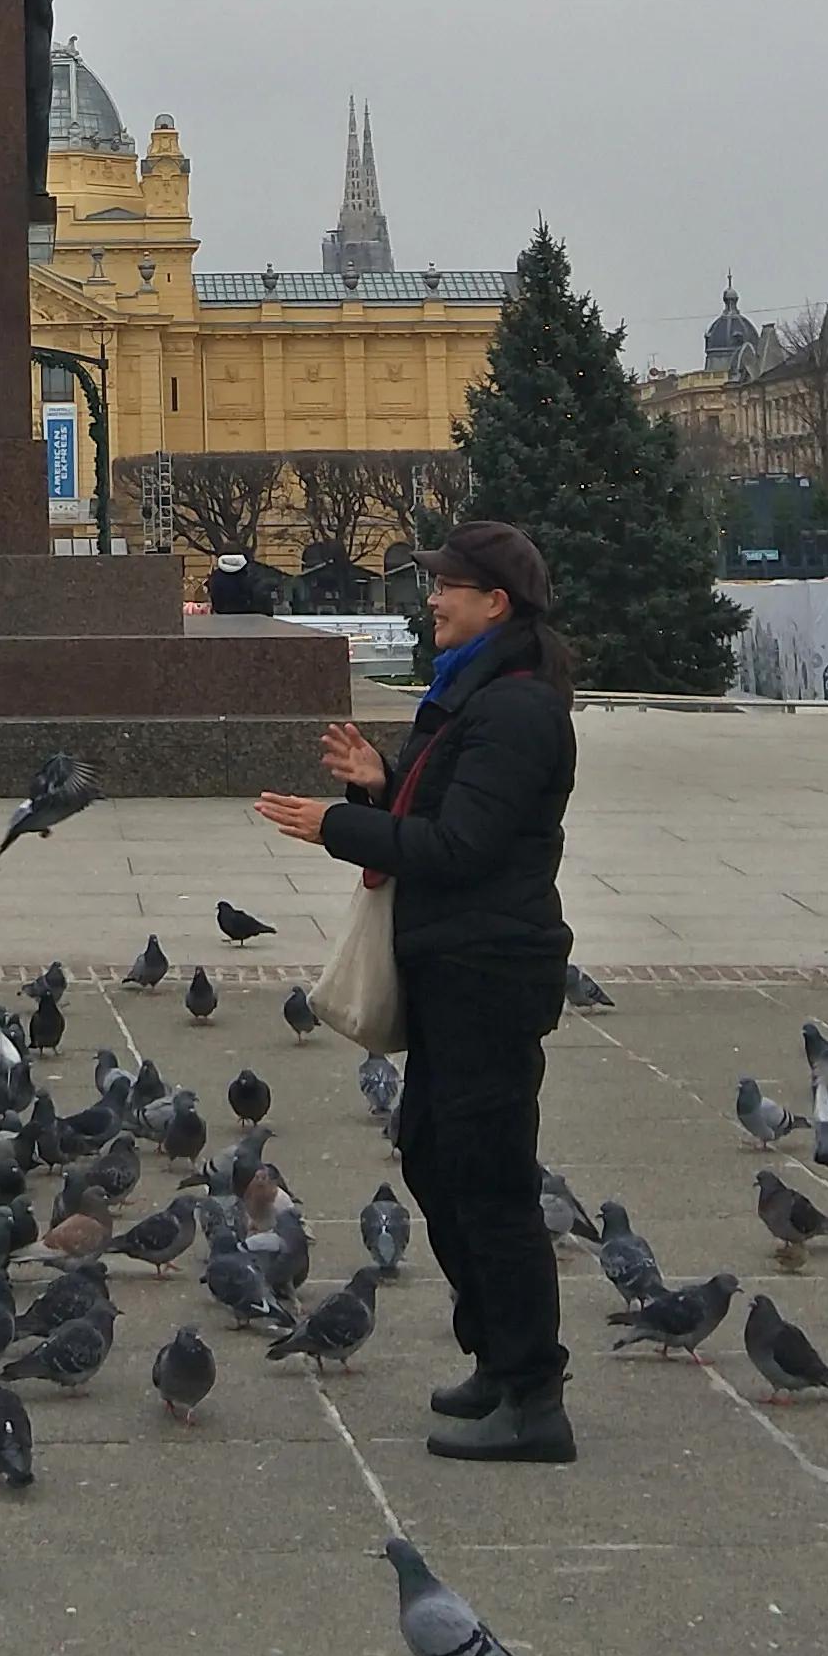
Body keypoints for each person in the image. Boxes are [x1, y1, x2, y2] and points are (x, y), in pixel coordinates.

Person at [253, 518, 580, 1464]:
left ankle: (534, 1395)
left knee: (493, 1183)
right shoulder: (476, 694)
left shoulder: (516, 709)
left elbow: (462, 849)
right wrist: (383, 784)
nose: (429, 598)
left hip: (489, 972)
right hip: (456, 963)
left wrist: (337, 827)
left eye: (446, 586)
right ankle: (497, 1357)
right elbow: (451, 818)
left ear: (495, 605)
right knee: (437, 1158)